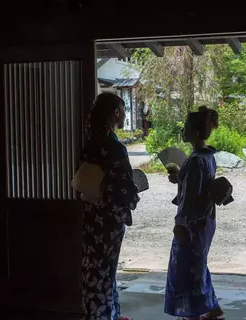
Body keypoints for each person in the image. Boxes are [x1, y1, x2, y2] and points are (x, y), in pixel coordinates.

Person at [80, 92, 140, 320]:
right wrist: (133, 197)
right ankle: (104, 315)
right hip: (109, 220)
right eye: (123, 110)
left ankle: (105, 313)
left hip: (92, 215)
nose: (125, 115)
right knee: (105, 272)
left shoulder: (91, 144)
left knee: (93, 269)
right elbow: (123, 188)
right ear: (116, 112)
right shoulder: (115, 148)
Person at [164, 106, 225, 320]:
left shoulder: (196, 160)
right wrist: (182, 176)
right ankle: (212, 308)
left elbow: (190, 200)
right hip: (206, 221)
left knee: (186, 270)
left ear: (196, 133)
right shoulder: (207, 157)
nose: (183, 131)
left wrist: (180, 225)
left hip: (192, 225)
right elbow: (199, 189)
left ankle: (193, 315)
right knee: (198, 266)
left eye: (186, 128)